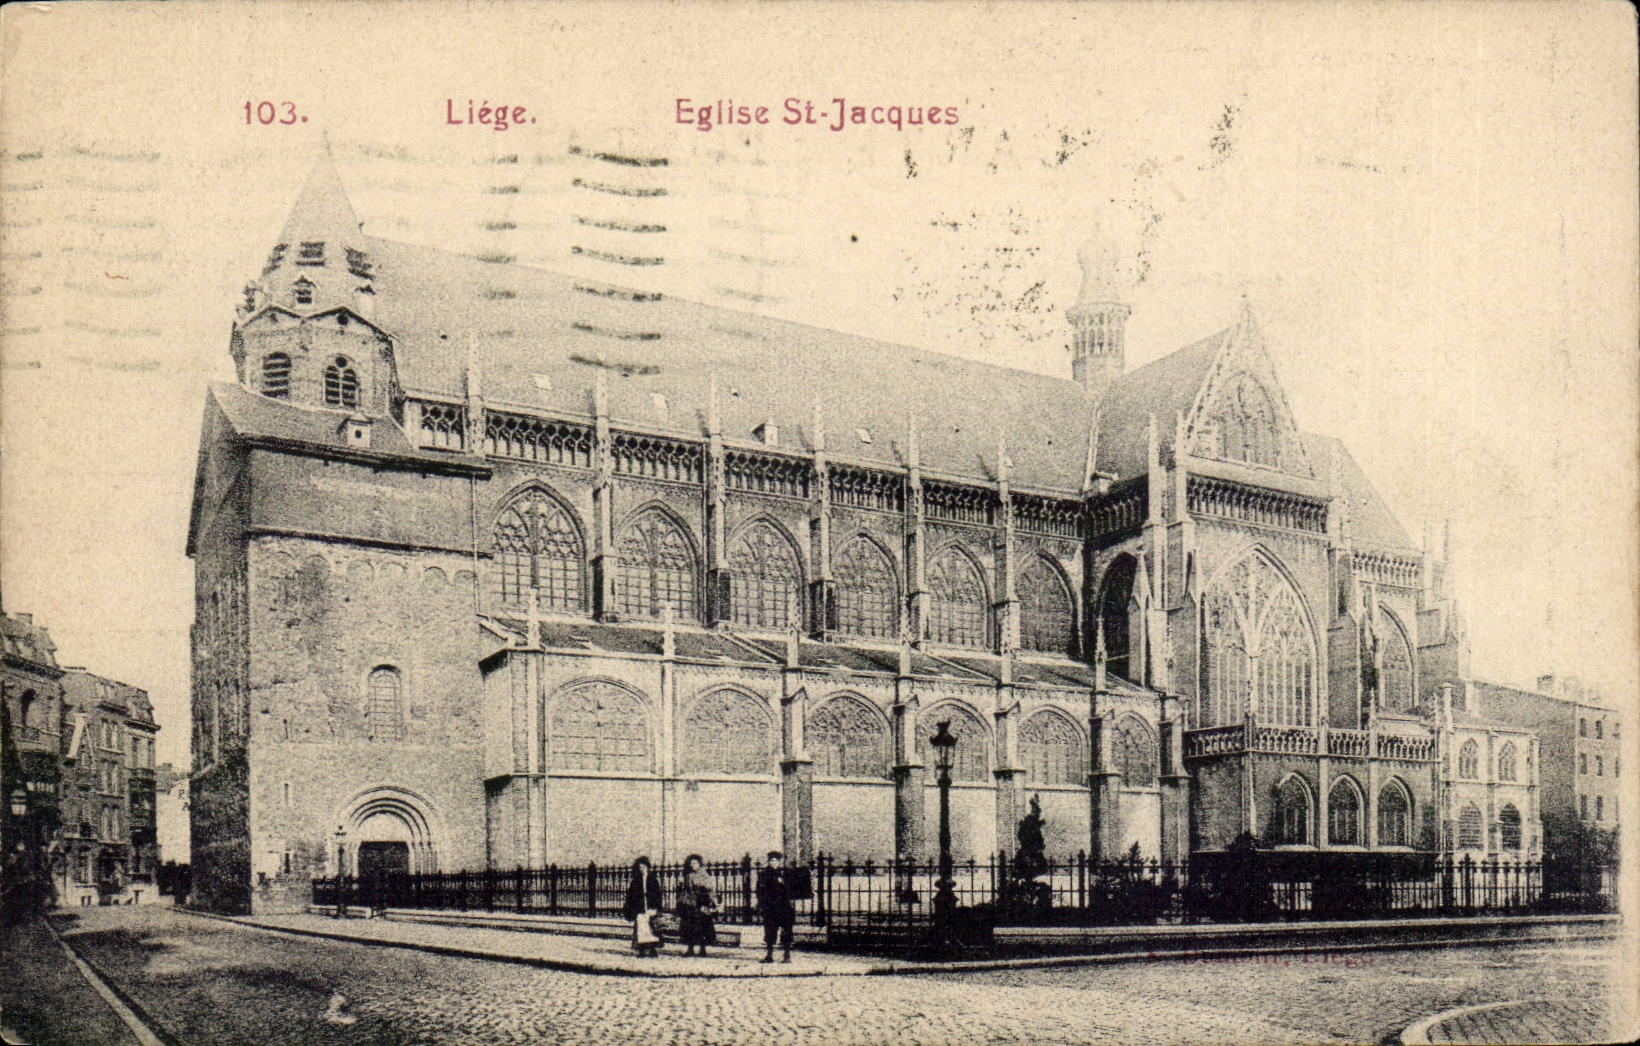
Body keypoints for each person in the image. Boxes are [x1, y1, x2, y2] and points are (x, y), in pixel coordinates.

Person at [755, 850, 806, 963]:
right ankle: (769, 955)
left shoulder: (786, 873)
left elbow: (793, 889)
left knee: (787, 931)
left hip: (784, 907)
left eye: (775, 861)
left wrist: (783, 883)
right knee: (769, 931)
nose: (772, 863)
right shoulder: (763, 874)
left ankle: (787, 956)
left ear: (779, 861)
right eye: (770, 861)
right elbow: (759, 890)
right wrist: (762, 903)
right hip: (770, 907)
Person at [677, 854, 717, 957]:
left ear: (699, 864)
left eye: (695, 863)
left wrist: (711, 901)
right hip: (690, 905)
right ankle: (690, 949)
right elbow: (684, 890)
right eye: (691, 863)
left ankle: (702, 950)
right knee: (689, 928)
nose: (693, 865)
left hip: (701, 905)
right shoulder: (688, 875)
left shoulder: (704, 874)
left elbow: (710, 889)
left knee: (701, 928)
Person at [623, 856, 663, 958]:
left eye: (643, 867)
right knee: (641, 929)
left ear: (647, 867)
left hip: (650, 906)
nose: (642, 869)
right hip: (640, 907)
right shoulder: (635, 881)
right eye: (640, 867)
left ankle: (652, 949)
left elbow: (658, 895)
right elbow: (631, 896)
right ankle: (641, 949)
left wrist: (656, 908)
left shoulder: (653, 880)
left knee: (651, 928)